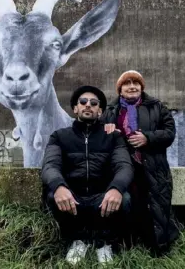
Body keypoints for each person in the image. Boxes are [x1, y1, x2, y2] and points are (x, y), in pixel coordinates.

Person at [41, 85, 134, 265]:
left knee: (125, 198)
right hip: (73, 196)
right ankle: (78, 239)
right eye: (83, 102)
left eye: (93, 103)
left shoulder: (113, 137)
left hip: (101, 196)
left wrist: (116, 189)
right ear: (75, 108)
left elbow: (124, 166)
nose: (88, 105)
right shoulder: (59, 136)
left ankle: (105, 242)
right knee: (53, 195)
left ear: (100, 110)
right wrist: (59, 186)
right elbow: (50, 165)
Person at [102, 70, 180, 256]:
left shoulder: (157, 107)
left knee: (156, 206)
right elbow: (99, 140)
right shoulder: (110, 111)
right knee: (128, 204)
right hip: (122, 169)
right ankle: (125, 246)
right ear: (120, 90)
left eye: (135, 82)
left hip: (153, 166)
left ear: (141, 87)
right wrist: (106, 131)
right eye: (126, 83)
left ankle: (159, 248)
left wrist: (148, 138)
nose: (131, 86)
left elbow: (170, 132)